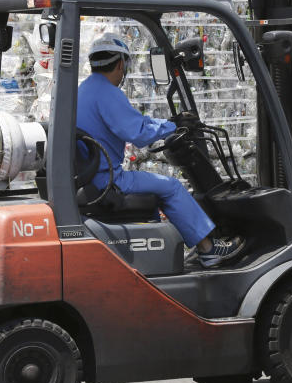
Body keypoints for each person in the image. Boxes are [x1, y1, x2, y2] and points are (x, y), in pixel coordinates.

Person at [76, 32, 244, 268]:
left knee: (154, 192)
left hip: (92, 177)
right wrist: (174, 125)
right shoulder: (108, 93)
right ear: (121, 63)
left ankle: (165, 253)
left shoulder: (82, 92)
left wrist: (167, 127)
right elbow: (138, 132)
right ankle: (209, 249)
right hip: (109, 179)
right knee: (172, 187)